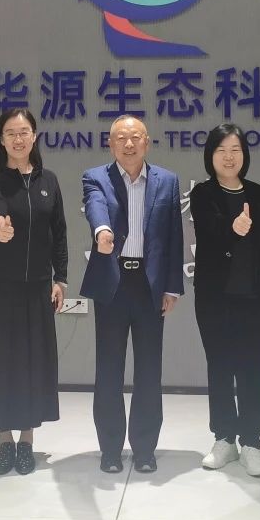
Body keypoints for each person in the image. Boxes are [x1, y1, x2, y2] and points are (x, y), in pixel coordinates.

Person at [0, 109, 69, 475]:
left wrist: (60, 278)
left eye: (24, 132)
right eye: (10, 133)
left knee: (32, 363)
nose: (18, 138)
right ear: (1, 139)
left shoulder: (48, 181)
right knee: (2, 362)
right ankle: (5, 440)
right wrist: (0, 222)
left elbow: (59, 232)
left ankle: (27, 440)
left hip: (37, 286)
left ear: (34, 136)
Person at [81, 115, 185, 474]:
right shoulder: (96, 177)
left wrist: (172, 287)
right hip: (112, 283)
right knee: (108, 369)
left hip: (149, 285)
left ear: (147, 142)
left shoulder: (167, 181)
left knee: (149, 370)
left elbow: (174, 237)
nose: (128, 144)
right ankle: (110, 449)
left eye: (135, 137)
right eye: (121, 138)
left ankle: (144, 449)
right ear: (111, 144)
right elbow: (95, 205)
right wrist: (103, 231)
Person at [190, 123, 260, 478]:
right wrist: (233, 228)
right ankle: (224, 439)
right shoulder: (203, 193)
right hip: (214, 298)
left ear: (244, 155)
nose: (229, 157)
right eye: (221, 151)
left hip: (252, 297)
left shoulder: (257, 193)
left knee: (252, 369)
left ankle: (252, 443)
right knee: (219, 367)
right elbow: (209, 233)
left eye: (235, 150)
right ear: (210, 156)